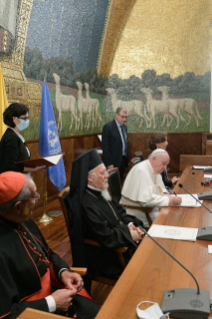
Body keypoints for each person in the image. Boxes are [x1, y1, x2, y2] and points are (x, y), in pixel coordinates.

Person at [0, 171, 100, 319]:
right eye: (34, 197)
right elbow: (7, 314)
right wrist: (52, 303)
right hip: (36, 312)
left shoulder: (23, 219)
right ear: (18, 207)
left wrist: (64, 272)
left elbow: (47, 254)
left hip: (55, 290)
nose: (37, 199)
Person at [68, 149, 144, 280]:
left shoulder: (100, 190)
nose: (107, 176)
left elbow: (119, 211)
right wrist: (129, 234)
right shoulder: (85, 204)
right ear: (90, 177)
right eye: (102, 173)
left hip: (119, 242)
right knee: (148, 266)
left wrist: (130, 225)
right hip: (107, 256)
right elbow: (104, 235)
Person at [120, 149, 182, 228]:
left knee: (174, 216)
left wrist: (166, 195)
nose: (165, 167)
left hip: (150, 209)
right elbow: (146, 201)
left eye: (167, 164)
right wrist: (168, 200)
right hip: (139, 212)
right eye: (164, 163)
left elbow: (160, 188)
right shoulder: (141, 170)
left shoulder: (153, 169)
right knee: (171, 222)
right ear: (154, 158)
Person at [0, 103, 44, 174]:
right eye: (25, 118)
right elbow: (10, 166)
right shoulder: (11, 138)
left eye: (28, 118)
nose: (27, 121)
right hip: (14, 181)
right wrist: (33, 169)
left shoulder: (16, 135)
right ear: (14, 119)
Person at [102, 107, 129, 182]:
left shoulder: (124, 127)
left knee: (120, 182)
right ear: (116, 115)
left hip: (123, 160)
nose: (124, 119)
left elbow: (125, 143)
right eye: (122, 117)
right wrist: (109, 163)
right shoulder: (108, 127)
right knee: (113, 184)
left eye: (126, 117)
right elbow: (105, 147)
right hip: (113, 162)